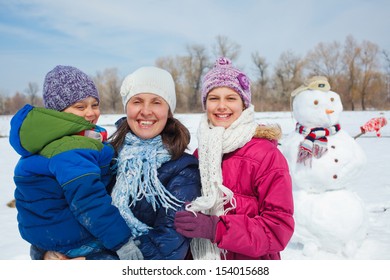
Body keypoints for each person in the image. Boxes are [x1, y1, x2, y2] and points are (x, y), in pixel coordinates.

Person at [9, 65, 139, 260]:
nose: (91, 113)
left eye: (94, 104)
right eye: (80, 107)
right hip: (75, 240)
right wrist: (122, 242)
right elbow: (88, 200)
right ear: (58, 112)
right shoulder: (71, 146)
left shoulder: (49, 141)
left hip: (49, 238)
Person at [174, 57, 295, 260]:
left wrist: (217, 229)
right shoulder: (201, 154)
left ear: (244, 104)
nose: (222, 106)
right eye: (214, 98)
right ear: (205, 104)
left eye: (231, 98)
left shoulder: (266, 155)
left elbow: (278, 229)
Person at [107, 66, 201, 259]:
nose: (146, 111)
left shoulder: (184, 170)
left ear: (168, 111)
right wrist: (47, 253)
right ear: (127, 108)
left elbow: (167, 247)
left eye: (156, 102)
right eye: (137, 101)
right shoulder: (108, 159)